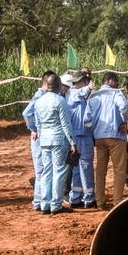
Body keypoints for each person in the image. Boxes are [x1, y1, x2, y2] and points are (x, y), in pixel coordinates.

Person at [34, 74, 77, 215]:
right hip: (59, 140)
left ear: (47, 85)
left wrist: (41, 139)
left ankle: (45, 204)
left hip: (45, 140)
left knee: (47, 171)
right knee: (59, 172)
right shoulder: (60, 100)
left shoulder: (39, 102)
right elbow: (66, 124)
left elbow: (38, 124)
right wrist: (72, 142)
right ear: (59, 86)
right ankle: (56, 205)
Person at [85, 72, 128, 210]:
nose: (117, 84)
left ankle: (100, 202)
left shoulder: (93, 96)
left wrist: (94, 131)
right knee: (119, 170)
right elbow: (124, 107)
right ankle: (117, 202)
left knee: (100, 171)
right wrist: (123, 122)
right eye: (116, 81)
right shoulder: (116, 93)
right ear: (109, 81)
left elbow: (87, 120)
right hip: (115, 136)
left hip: (99, 138)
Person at [22, 70, 54, 211]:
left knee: (45, 170)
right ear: (47, 83)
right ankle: (38, 201)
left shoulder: (45, 95)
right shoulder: (39, 96)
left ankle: (42, 200)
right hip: (39, 138)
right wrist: (33, 128)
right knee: (41, 171)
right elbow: (26, 113)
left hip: (44, 137)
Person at [66, 71, 96, 208]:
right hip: (82, 136)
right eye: (85, 81)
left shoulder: (81, 96)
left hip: (78, 136)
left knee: (78, 168)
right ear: (79, 82)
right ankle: (89, 198)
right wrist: (89, 88)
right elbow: (81, 93)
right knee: (86, 167)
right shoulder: (74, 93)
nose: (87, 83)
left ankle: (75, 197)